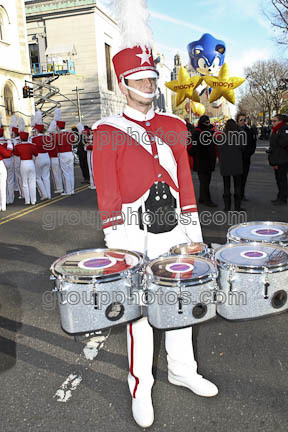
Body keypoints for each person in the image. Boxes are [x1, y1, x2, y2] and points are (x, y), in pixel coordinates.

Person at [92, 44, 218, 429]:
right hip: (132, 229)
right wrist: (117, 242)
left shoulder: (174, 126)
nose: (148, 83)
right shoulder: (106, 131)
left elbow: (184, 181)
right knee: (140, 313)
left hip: (175, 227)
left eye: (151, 76)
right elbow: (107, 191)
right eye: (139, 78)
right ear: (123, 84)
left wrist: (193, 231)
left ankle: (183, 369)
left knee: (180, 299)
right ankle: (140, 385)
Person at [190, 115, 217, 207]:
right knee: (205, 182)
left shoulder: (207, 132)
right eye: (206, 122)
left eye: (208, 122)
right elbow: (194, 146)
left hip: (207, 161)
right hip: (201, 160)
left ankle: (202, 198)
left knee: (205, 181)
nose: (208, 124)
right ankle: (207, 200)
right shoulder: (197, 132)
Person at [217, 119, 244, 211]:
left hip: (225, 164)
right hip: (237, 163)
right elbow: (242, 148)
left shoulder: (221, 136)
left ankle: (227, 207)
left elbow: (219, 149)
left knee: (226, 186)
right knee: (237, 186)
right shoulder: (239, 136)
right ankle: (237, 206)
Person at [267, 114, 288, 206]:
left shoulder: (284, 129)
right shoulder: (276, 130)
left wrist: (275, 138)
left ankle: (283, 198)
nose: (272, 123)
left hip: (282, 159)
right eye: (272, 121)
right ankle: (280, 196)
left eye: (274, 121)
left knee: (282, 179)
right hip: (276, 158)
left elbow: (284, 142)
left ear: (280, 121)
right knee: (278, 179)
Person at [13, 131, 38, 205]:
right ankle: (33, 200)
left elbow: (16, 154)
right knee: (32, 182)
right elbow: (36, 154)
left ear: (20, 138)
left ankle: (27, 200)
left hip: (23, 163)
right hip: (31, 163)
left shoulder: (18, 146)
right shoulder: (32, 145)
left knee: (25, 183)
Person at [236, 112, 256, 201]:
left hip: (246, 159)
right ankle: (237, 194)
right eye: (241, 120)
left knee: (244, 178)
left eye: (244, 120)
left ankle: (242, 194)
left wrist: (248, 153)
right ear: (237, 120)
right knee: (237, 179)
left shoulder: (249, 131)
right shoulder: (233, 131)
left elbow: (253, 144)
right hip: (236, 159)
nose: (243, 122)